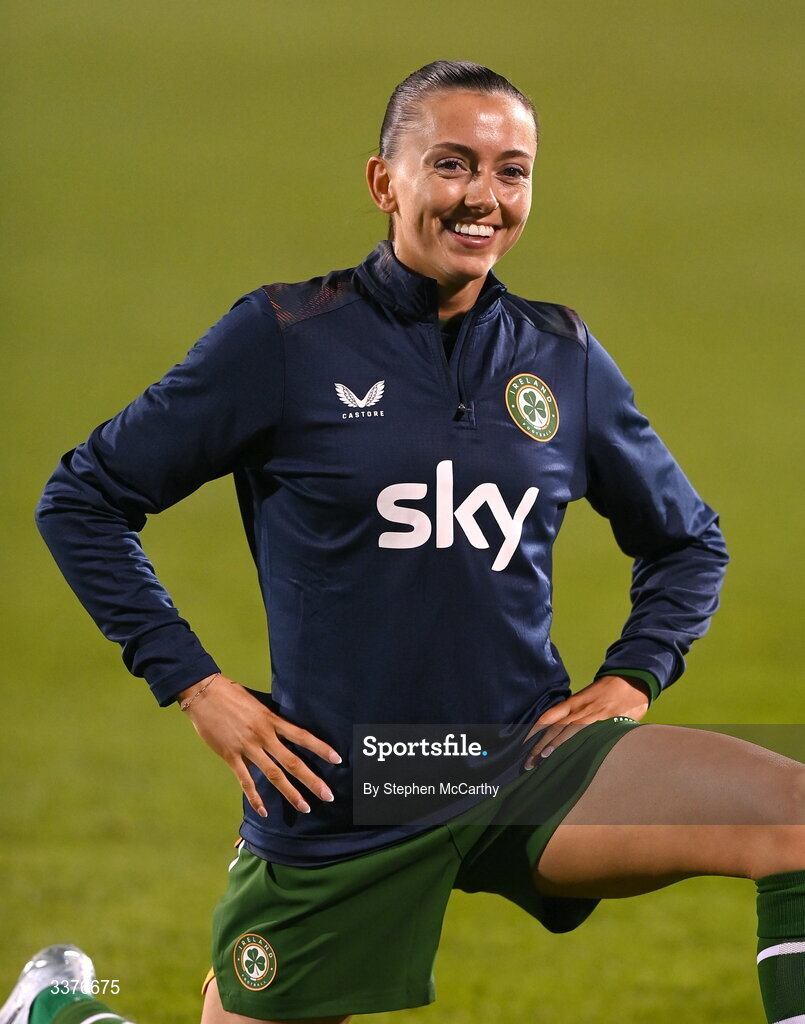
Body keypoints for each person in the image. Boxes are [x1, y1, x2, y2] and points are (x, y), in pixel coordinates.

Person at [9, 60, 802, 1024]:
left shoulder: (562, 357)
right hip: (353, 783)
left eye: (511, 171)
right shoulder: (285, 338)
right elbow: (83, 498)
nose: (484, 197)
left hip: (523, 758)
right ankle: (54, 1013)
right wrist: (196, 685)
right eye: (452, 164)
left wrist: (634, 674)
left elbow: (687, 541)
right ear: (385, 182)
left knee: (793, 816)